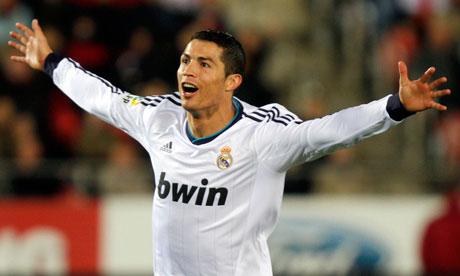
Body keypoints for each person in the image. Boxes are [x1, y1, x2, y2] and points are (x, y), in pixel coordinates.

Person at [8, 19, 451, 276]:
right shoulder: (158, 117)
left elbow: (328, 131)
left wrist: (394, 107)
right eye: (186, 60)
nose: (189, 70)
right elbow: (100, 97)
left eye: (204, 64)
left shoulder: (263, 136)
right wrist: (50, 61)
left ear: (232, 81)